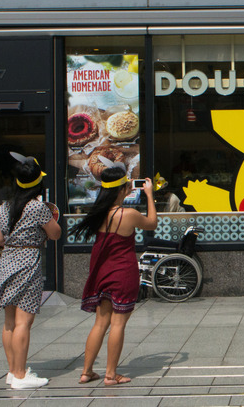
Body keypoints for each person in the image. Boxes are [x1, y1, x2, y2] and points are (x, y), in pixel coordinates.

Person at [69, 162, 157, 386]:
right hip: (123, 272)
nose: (129, 188)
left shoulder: (98, 214)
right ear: (121, 190)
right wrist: (149, 195)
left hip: (102, 273)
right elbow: (152, 223)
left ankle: (86, 372)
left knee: (100, 323)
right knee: (118, 324)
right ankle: (110, 374)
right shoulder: (129, 214)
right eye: (127, 185)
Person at [0, 152, 61, 390]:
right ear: (38, 182)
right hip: (28, 260)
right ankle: (21, 375)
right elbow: (55, 233)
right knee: (24, 322)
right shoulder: (37, 207)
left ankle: (12, 371)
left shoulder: (5, 206)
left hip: (7, 261)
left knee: (9, 322)